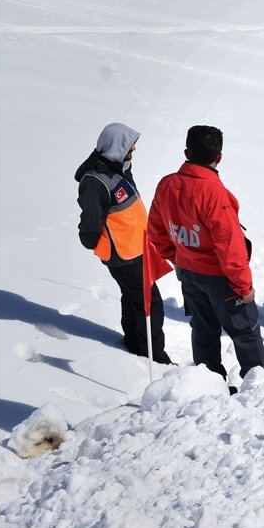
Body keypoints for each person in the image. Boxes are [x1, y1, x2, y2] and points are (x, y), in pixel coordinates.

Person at [148, 126, 264, 384]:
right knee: (245, 331)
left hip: (190, 273)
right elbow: (230, 246)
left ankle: (209, 386)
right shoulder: (214, 193)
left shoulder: (167, 184)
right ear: (219, 156)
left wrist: (179, 256)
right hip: (220, 277)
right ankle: (257, 388)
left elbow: (155, 231)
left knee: (203, 328)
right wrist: (243, 286)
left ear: (187, 152)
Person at [76, 122, 170, 363]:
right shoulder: (95, 180)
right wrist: (92, 242)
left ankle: (135, 344)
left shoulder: (117, 169)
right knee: (151, 303)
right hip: (122, 253)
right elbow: (90, 222)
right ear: (116, 146)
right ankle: (154, 356)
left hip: (135, 248)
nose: (134, 150)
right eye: (130, 146)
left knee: (133, 297)